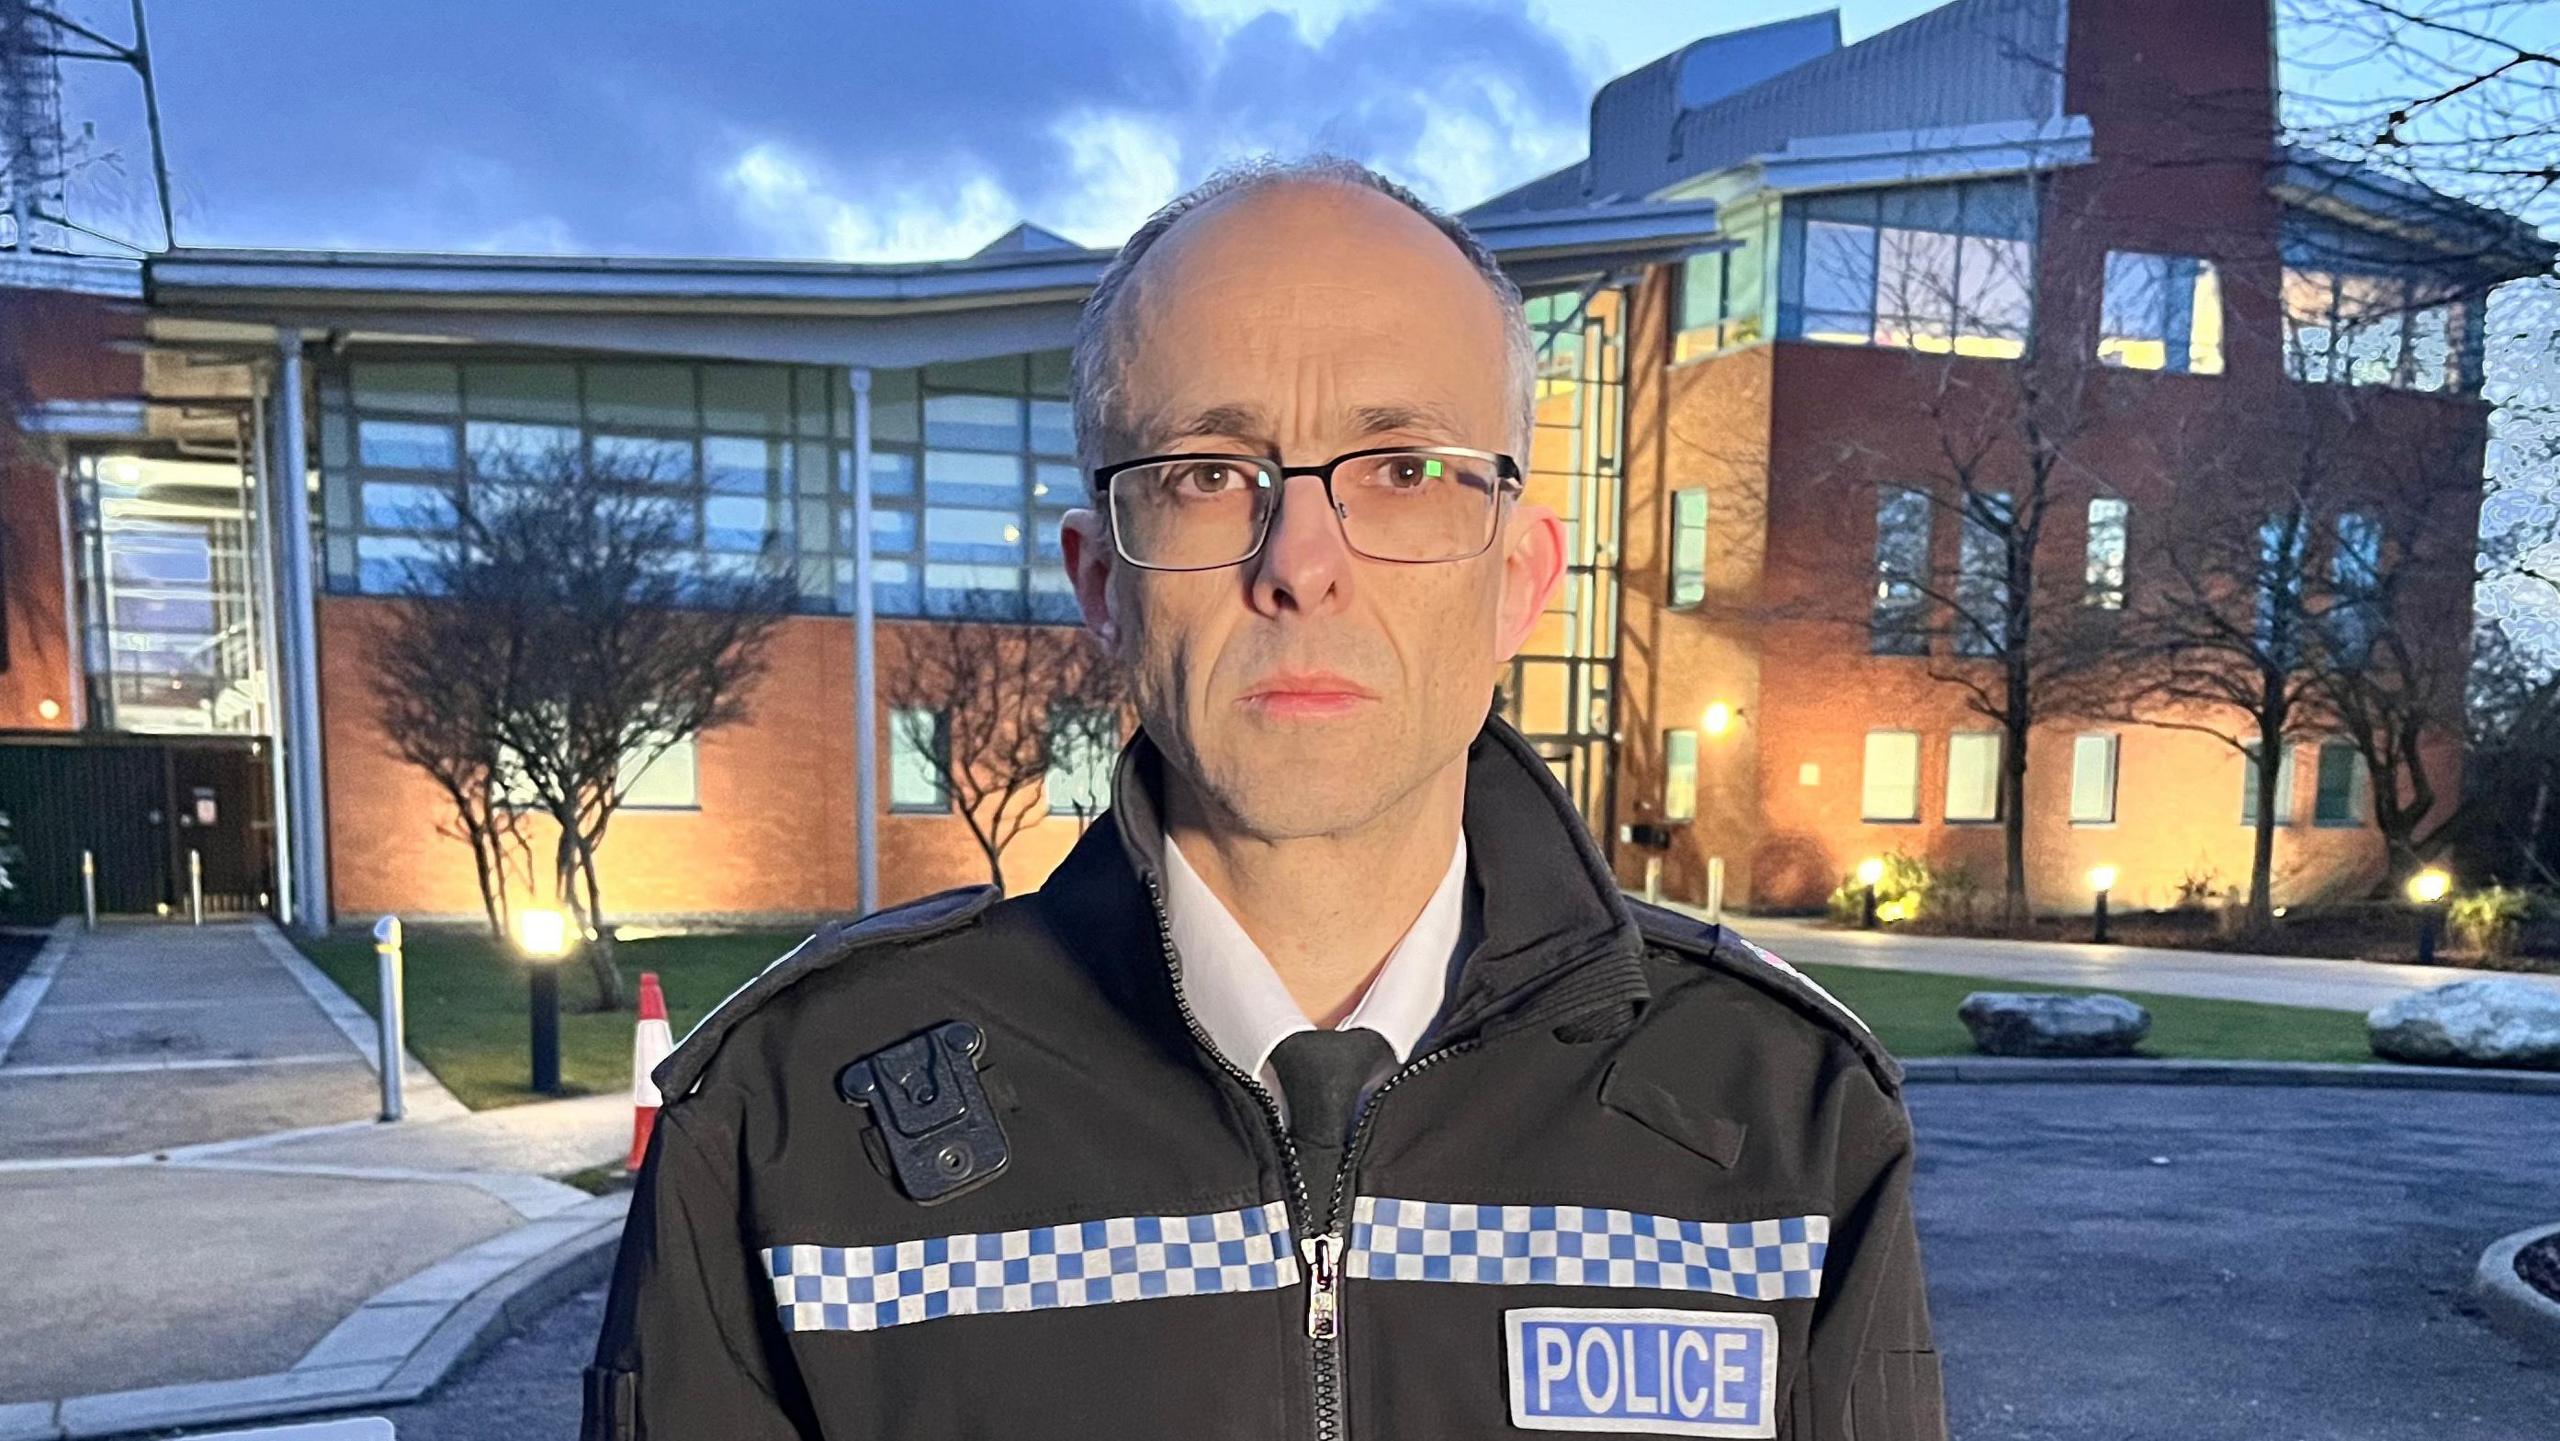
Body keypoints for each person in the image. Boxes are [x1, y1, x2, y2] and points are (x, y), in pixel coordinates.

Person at [584, 154, 1945, 1441]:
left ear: (1521, 577)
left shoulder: (1786, 1124)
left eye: (1404, 469)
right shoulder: (785, 1141)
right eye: (1205, 474)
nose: (1300, 560)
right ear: (1103, 579)